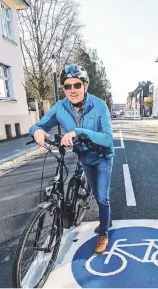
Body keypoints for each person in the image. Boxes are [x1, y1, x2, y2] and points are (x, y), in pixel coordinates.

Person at [29, 64, 114, 254]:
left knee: (101, 197)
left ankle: (104, 231)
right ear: (63, 89)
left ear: (86, 86)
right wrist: (38, 131)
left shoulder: (99, 106)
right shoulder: (60, 107)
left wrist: (79, 132)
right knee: (86, 187)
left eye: (77, 85)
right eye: (68, 86)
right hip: (84, 156)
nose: (72, 90)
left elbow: (108, 140)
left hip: (102, 158)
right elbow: (38, 125)